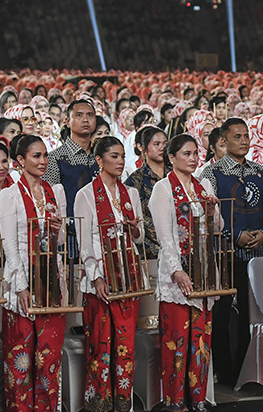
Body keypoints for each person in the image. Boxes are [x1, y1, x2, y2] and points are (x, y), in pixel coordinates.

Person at [198, 117, 263, 386]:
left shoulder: (259, 171)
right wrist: (234, 236)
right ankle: (225, 371)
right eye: (237, 137)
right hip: (225, 256)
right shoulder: (211, 173)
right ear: (223, 140)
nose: (244, 141)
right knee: (221, 316)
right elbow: (210, 215)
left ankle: (249, 369)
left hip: (258, 253)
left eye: (246, 136)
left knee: (254, 314)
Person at [0, 134, 68, 411]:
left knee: (49, 360)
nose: (42, 161)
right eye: (36, 156)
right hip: (22, 285)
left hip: (51, 283)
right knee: (21, 361)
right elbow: (10, 247)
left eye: (45, 156)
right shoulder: (9, 195)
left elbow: (60, 241)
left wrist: (57, 228)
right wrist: (21, 287)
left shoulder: (55, 191)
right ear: (20, 161)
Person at [150, 134, 220, 411]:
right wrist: (177, 270)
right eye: (186, 154)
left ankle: (198, 398)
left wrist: (213, 211)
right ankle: (175, 399)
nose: (193, 159)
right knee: (176, 342)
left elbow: (217, 227)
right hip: (176, 273)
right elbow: (165, 236)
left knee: (201, 340)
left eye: (195, 154)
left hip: (204, 269)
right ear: (172, 158)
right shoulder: (163, 189)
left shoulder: (204, 185)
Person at [75, 136, 144, 411]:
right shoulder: (86, 195)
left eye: (121, 156)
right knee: (100, 344)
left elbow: (138, 238)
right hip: (100, 277)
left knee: (126, 344)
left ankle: (122, 401)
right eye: (113, 156)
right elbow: (84, 242)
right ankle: (99, 402)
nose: (119, 161)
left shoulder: (132, 194)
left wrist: (134, 229)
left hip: (128, 276)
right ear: (99, 161)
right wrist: (96, 276)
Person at [42, 99, 98, 255]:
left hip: (101, 232)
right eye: (79, 115)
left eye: (90, 115)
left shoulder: (101, 157)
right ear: (67, 121)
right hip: (69, 236)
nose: (85, 120)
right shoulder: (54, 158)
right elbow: (50, 200)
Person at [125, 126, 169, 260]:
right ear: (143, 149)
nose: (162, 148)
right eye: (156, 144)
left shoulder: (174, 175)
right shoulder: (135, 180)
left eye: (165, 144)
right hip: (151, 251)